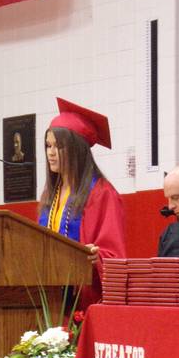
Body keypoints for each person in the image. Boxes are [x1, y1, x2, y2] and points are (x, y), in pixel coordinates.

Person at [38, 98, 127, 308]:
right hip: (53, 299)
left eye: (58, 146)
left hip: (86, 300)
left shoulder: (102, 194)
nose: (50, 153)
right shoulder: (51, 194)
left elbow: (114, 255)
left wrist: (96, 256)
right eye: (48, 145)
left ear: (76, 149)